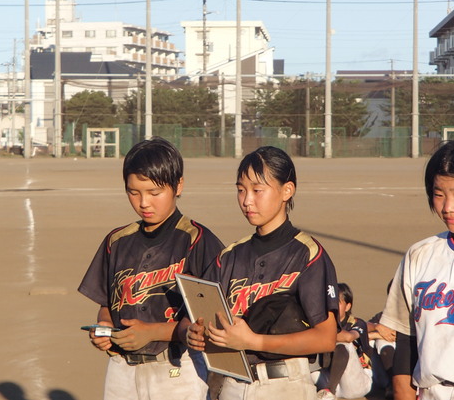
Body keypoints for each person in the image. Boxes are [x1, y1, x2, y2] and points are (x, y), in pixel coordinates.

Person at [183, 146, 339, 400]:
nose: (246, 200)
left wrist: (254, 342)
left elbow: (326, 338)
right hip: (233, 384)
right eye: (240, 190)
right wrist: (196, 333)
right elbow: (204, 317)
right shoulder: (228, 256)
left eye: (257, 190)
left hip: (286, 384)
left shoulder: (308, 254)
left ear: (287, 190)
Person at [78, 137, 224, 400]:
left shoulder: (197, 240)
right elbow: (107, 303)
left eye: (154, 193)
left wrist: (154, 332)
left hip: (177, 367)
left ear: (178, 185)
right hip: (121, 369)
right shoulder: (117, 241)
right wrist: (103, 327)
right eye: (134, 192)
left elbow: (212, 320)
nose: (144, 202)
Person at [380, 140, 454, 400]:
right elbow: (405, 342)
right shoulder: (419, 255)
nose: (447, 207)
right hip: (432, 391)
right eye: (438, 193)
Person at [313, 283, 373, 400]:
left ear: (347, 306)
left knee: (342, 342)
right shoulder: (322, 324)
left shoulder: (357, 322)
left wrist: (318, 332)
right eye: (329, 302)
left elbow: (348, 337)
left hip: (356, 384)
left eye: (337, 303)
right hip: (330, 379)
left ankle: (330, 391)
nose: (332, 306)